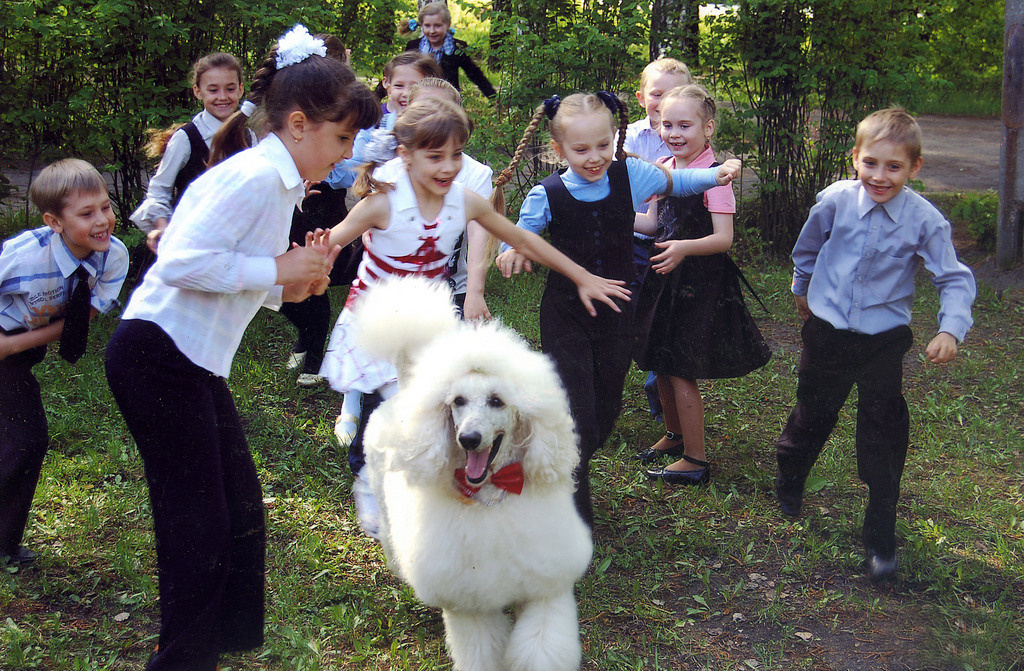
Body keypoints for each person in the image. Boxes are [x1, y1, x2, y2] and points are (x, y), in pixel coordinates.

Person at [103, 26, 379, 670]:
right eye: (340, 139)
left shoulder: (280, 183)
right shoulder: (255, 176)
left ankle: (207, 650)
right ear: (300, 123)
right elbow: (178, 262)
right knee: (198, 520)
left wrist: (295, 281)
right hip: (157, 355)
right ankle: (183, 660)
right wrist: (281, 272)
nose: (343, 155)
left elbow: (245, 275)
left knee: (238, 509)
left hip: (190, 360)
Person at [317, 96, 631, 535]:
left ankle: (455, 492)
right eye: (435, 157)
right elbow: (329, 245)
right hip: (380, 321)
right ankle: (371, 483)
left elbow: (524, 239)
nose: (448, 167)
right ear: (405, 155)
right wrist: (304, 272)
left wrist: (581, 275)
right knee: (399, 411)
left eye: (456, 155)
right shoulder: (381, 203)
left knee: (443, 414)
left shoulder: (464, 201)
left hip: (431, 320)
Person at [493, 92, 741, 527]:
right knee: (577, 414)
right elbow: (520, 235)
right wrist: (511, 251)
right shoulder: (545, 193)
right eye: (581, 149)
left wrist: (715, 176)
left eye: (603, 146)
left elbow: (677, 183)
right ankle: (572, 516)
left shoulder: (633, 176)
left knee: (605, 412)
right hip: (566, 313)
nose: (595, 158)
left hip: (617, 312)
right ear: (558, 150)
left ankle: (544, 469)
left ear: (615, 138)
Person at [774, 108, 976, 583]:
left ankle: (880, 536)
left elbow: (954, 278)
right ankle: (790, 476)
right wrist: (802, 291)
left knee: (884, 431)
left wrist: (950, 329)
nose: (879, 176)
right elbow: (807, 250)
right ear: (855, 160)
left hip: (884, 340)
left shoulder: (926, 221)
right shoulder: (834, 201)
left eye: (894, 167)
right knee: (813, 413)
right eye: (871, 164)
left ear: (914, 168)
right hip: (827, 332)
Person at [632, 85, 771, 485]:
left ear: (707, 128)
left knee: (680, 367)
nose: (674, 133)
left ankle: (696, 460)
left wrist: (683, 249)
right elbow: (652, 224)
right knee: (659, 358)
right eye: (666, 124)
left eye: (684, 125)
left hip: (698, 283)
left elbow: (723, 239)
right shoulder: (662, 165)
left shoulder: (718, 175)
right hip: (664, 276)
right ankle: (674, 436)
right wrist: (618, 217)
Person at [1, 159, 129, 565]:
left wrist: (14, 348)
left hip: (14, 349)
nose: (102, 220)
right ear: (54, 222)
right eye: (86, 213)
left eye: (105, 207)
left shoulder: (113, 256)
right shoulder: (21, 258)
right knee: (27, 439)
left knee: (19, 440)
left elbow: (84, 315)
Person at [623, 58, 694, 420]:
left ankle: (660, 402)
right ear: (641, 97)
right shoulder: (627, 137)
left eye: (674, 94)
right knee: (631, 313)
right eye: (656, 94)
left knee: (662, 320)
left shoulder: (687, 136)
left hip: (670, 244)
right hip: (632, 240)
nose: (663, 101)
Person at [131, 52, 255, 254]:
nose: (222, 97)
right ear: (198, 92)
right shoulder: (186, 139)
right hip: (191, 248)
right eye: (213, 90)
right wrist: (163, 229)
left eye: (230, 88)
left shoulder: (249, 137)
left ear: (241, 89)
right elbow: (158, 192)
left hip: (238, 247)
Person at [399, 1, 496, 99]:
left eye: (438, 26)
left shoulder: (458, 47)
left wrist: (493, 96)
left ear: (448, 25)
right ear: (422, 25)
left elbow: (474, 74)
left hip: (448, 101)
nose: (432, 31)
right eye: (427, 26)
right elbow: (399, 72)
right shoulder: (414, 47)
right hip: (419, 100)